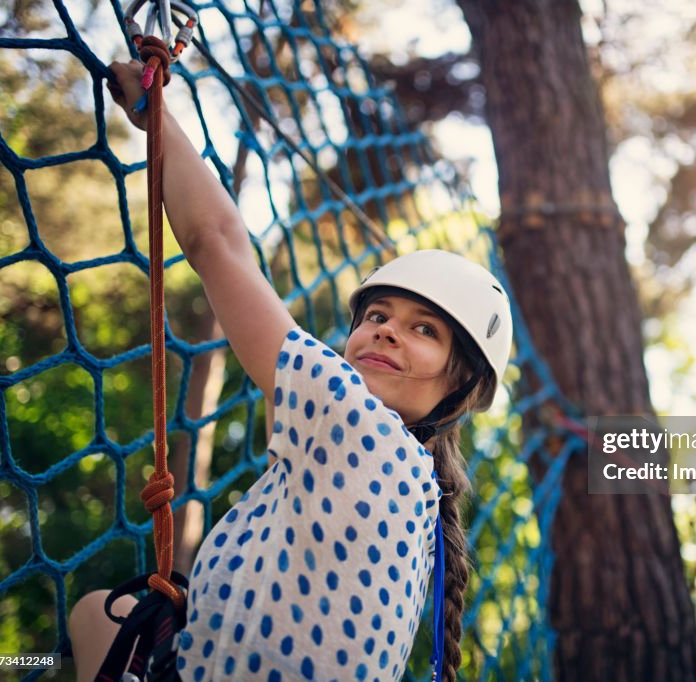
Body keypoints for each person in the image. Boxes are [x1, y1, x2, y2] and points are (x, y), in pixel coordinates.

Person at [68, 60, 513, 682]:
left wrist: (157, 116)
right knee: (98, 617)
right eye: (378, 314)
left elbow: (216, 240)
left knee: (96, 613)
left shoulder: (350, 419)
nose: (385, 328)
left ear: (459, 388)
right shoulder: (422, 512)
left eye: (424, 329)